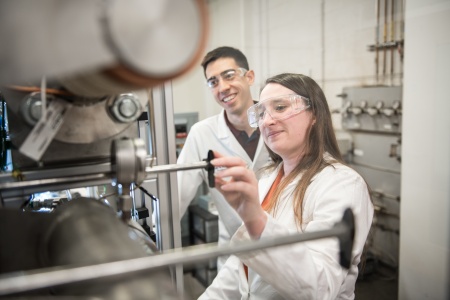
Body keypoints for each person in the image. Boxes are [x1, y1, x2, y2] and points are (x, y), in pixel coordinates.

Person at [199, 73, 374, 300]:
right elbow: (238, 271)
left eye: (280, 107)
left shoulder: (343, 185)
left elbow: (320, 288)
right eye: (261, 113)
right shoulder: (267, 180)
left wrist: (256, 220)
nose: (267, 121)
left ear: (315, 115)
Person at [177, 46, 270, 269]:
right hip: (235, 255)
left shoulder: (276, 123)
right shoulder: (202, 133)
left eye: (229, 76)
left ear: (249, 77)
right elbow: (177, 195)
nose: (223, 87)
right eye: (213, 82)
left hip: (283, 246)